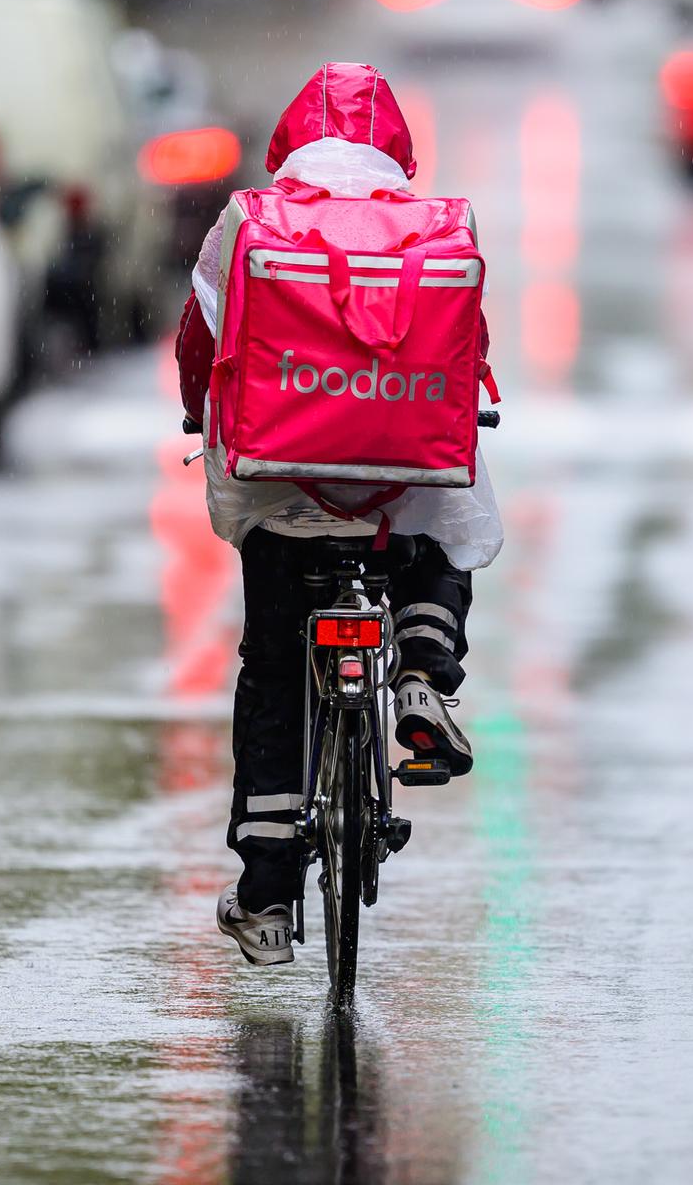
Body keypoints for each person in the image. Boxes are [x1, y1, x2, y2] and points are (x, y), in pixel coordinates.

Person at [175, 62, 503, 967]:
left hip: (283, 488)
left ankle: (270, 898)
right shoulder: (436, 225)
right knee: (448, 503)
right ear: (395, 145)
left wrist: (195, 401)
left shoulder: (250, 219)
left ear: (288, 140)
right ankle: (424, 670)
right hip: (397, 494)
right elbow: (466, 352)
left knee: (276, 671)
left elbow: (200, 335)